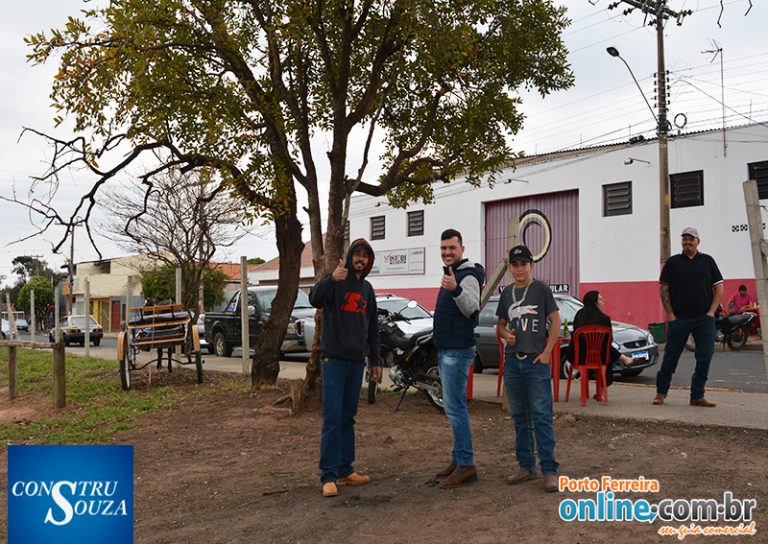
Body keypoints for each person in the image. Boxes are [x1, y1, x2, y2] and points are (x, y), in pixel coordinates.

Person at [309, 239, 382, 497]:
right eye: (357, 254)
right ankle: (328, 476)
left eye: (365, 256)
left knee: (348, 417)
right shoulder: (336, 280)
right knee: (332, 418)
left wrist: (375, 360)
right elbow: (314, 299)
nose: (360, 259)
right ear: (350, 256)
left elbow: (372, 328)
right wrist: (330, 279)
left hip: (356, 362)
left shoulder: (367, 289)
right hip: (334, 361)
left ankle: (345, 469)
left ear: (369, 261)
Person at [496, 245, 561, 493]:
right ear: (510, 268)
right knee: (520, 417)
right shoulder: (506, 293)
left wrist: (547, 352)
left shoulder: (541, 289)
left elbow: (555, 320)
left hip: (536, 362)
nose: (519, 269)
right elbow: (500, 325)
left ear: (531, 266)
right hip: (513, 362)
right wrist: (505, 334)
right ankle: (526, 466)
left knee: (542, 416)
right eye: (515, 264)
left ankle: (549, 470)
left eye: (524, 264)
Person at [432, 228, 485, 489]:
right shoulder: (452, 274)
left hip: (456, 351)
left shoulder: (468, 275)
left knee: (455, 409)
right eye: (443, 248)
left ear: (462, 249)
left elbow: (472, 308)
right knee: (454, 408)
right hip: (448, 349)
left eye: (452, 247)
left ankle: (466, 465)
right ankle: (458, 460)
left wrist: (455, 289)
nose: (447, 252)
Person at [654, 227, 724, 408]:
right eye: (684, 239)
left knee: (705, 357)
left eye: (691, 239)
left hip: (704, 319)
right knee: (670, 357)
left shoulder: (707, 261)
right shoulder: (673, 262)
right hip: (679, 319)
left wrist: (711, 312)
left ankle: (697, 396)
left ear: (697, 242)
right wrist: (670, 314)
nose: (687, 242)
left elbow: (719, 287)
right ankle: (661, 393)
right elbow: (663, 289)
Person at [567, 290, 634, 391]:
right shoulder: (604, 319)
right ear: (595, 302)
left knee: (603, 349)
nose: (604, 301)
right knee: (607, 352)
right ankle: (601, 391)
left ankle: (624, 359)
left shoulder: (579, 315)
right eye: (601, 299)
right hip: (598, 358)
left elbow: (575, 333)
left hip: (577, 357)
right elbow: (608, 341)